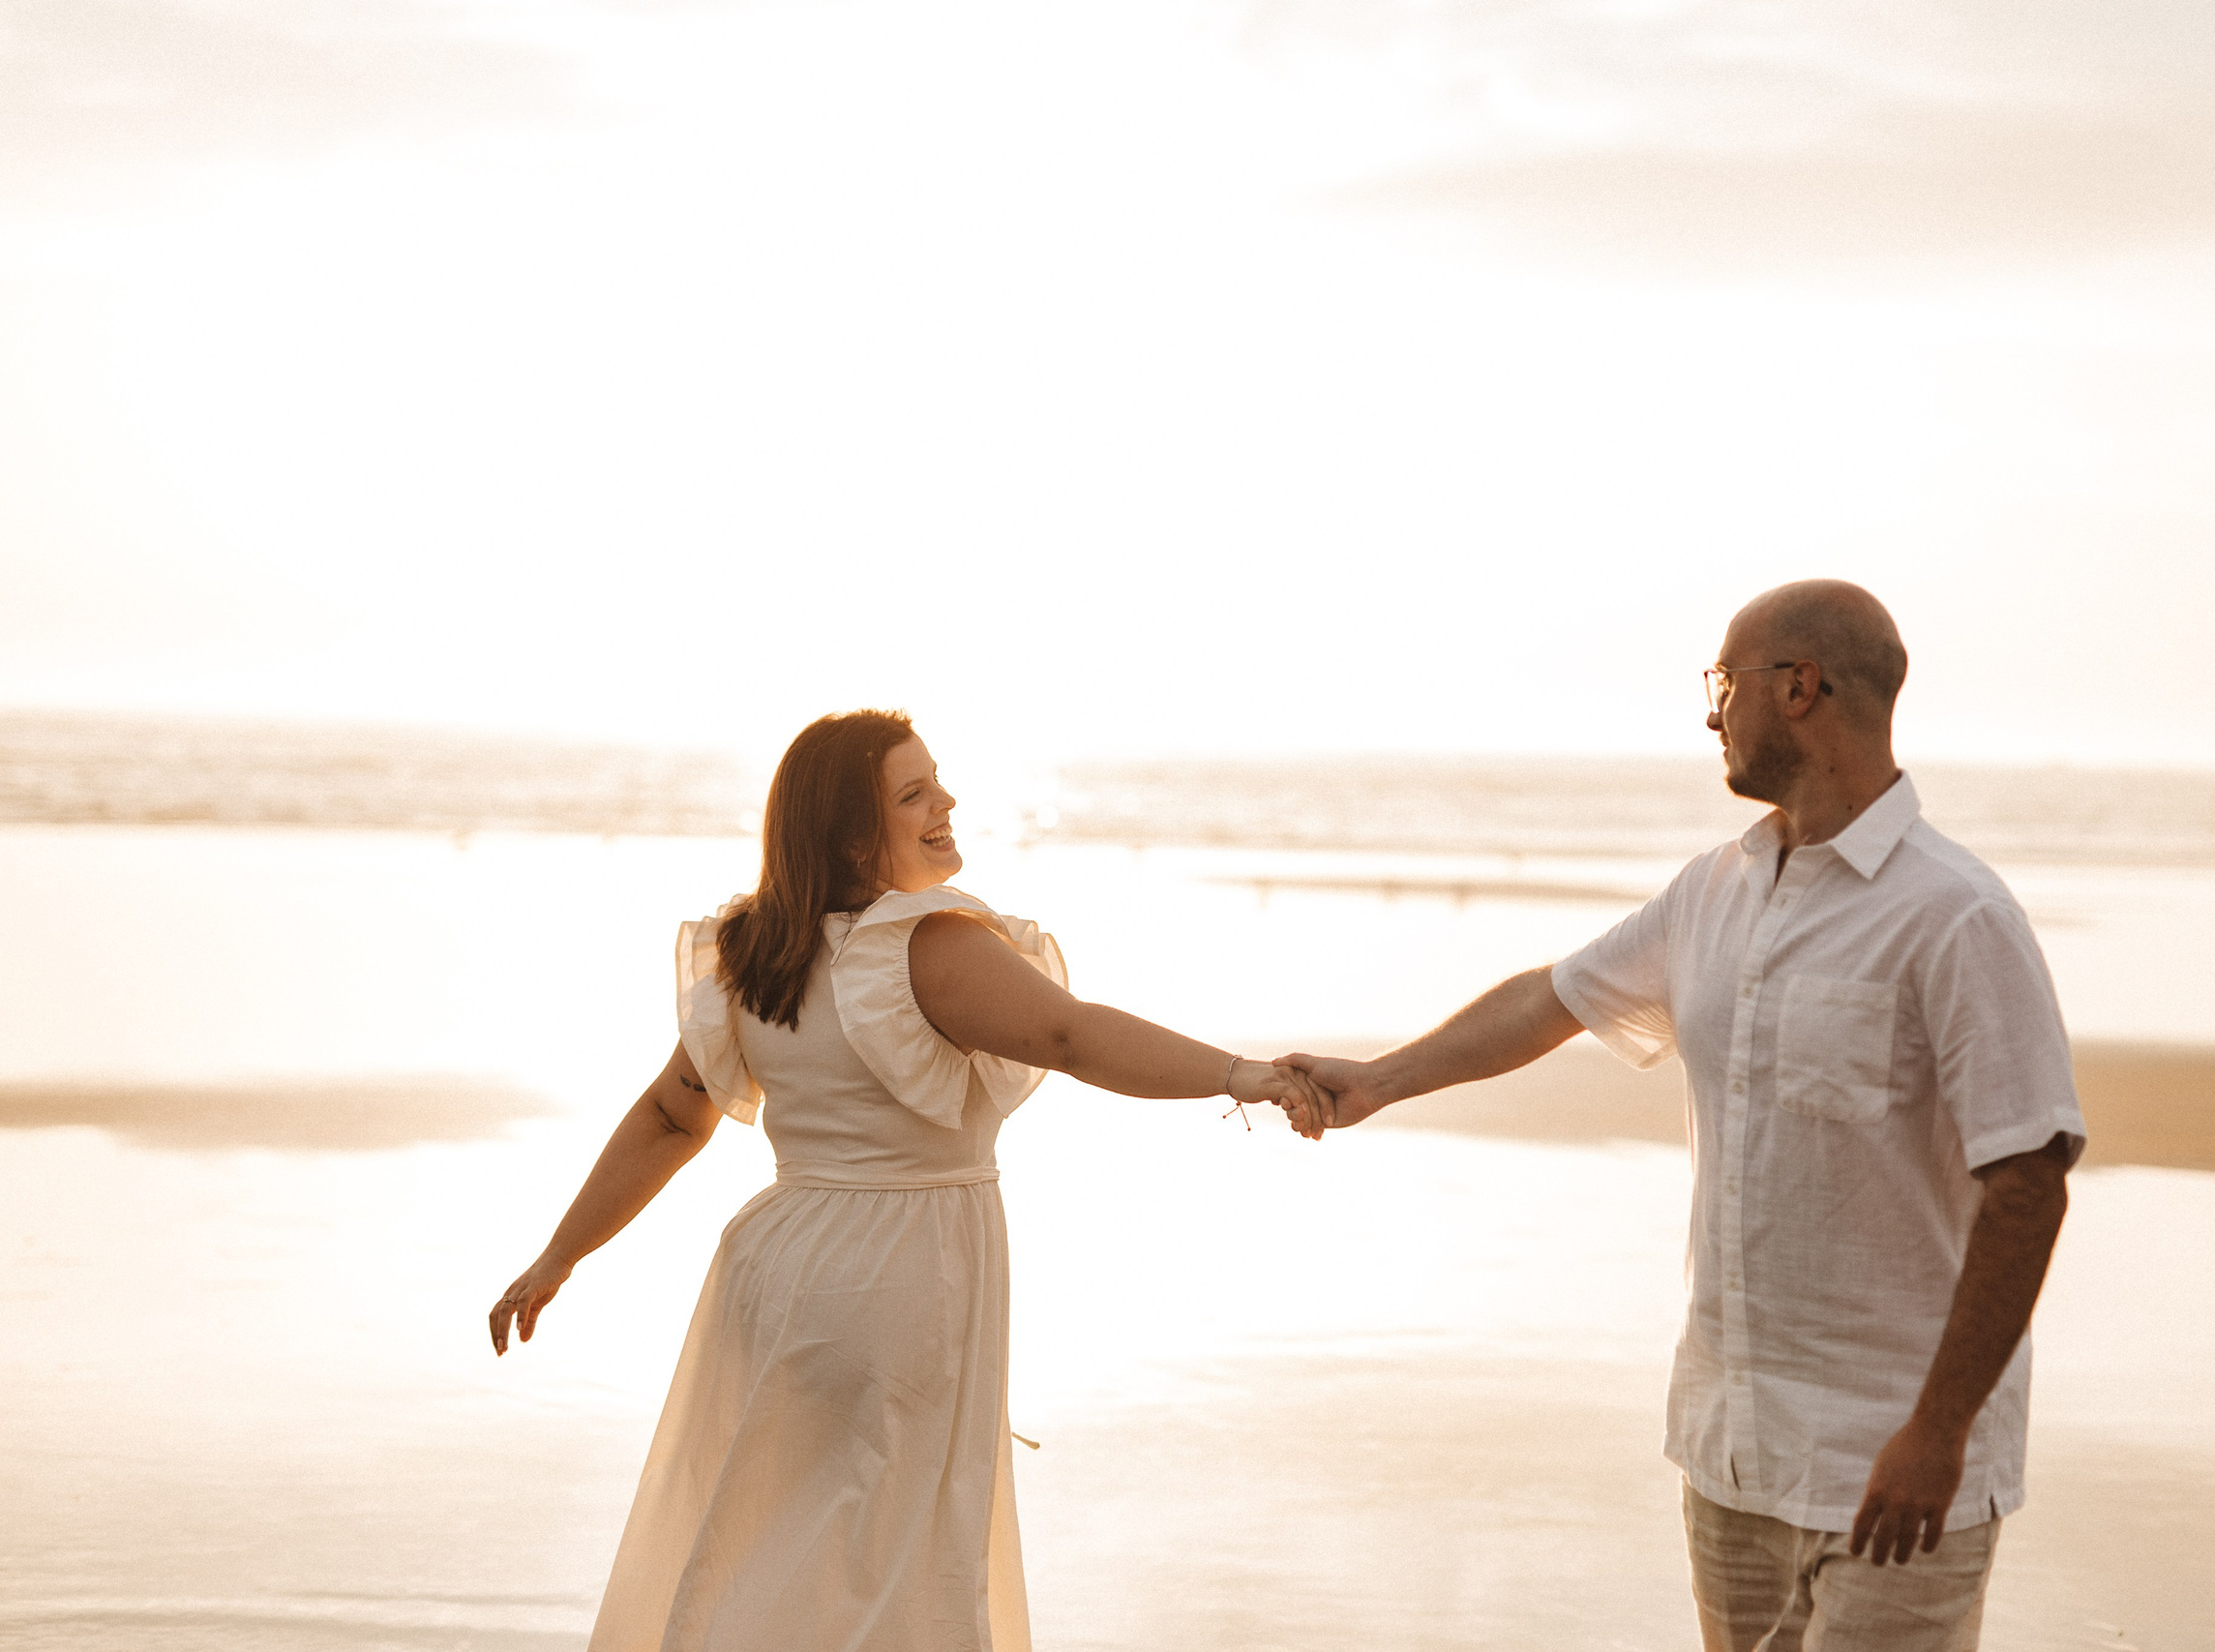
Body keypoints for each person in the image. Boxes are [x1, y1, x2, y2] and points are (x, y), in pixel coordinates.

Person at [1278, 582, 2085, 1652]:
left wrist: (1939, 1433)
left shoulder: (1955, 915)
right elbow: (1550, 997)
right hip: (1732, 1454)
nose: (1711, 713)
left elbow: (2027, 1183)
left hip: (1892, 1467)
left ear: (1798, 688)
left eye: (1724, 681)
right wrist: (1381, 1080)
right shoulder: (1715, 890)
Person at [488, 709, 1316, 1652]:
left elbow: (672, 1117)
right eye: (914, 792)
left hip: (778, 1271)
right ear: (850, 833)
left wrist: (558, 1256)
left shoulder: (758, 950)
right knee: (893, 1567)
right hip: (897, 1277)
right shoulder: (927, 945)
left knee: (768, 1543)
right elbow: (1070, 1037)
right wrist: (1239, 1075)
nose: (946, 802)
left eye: (939, 783)